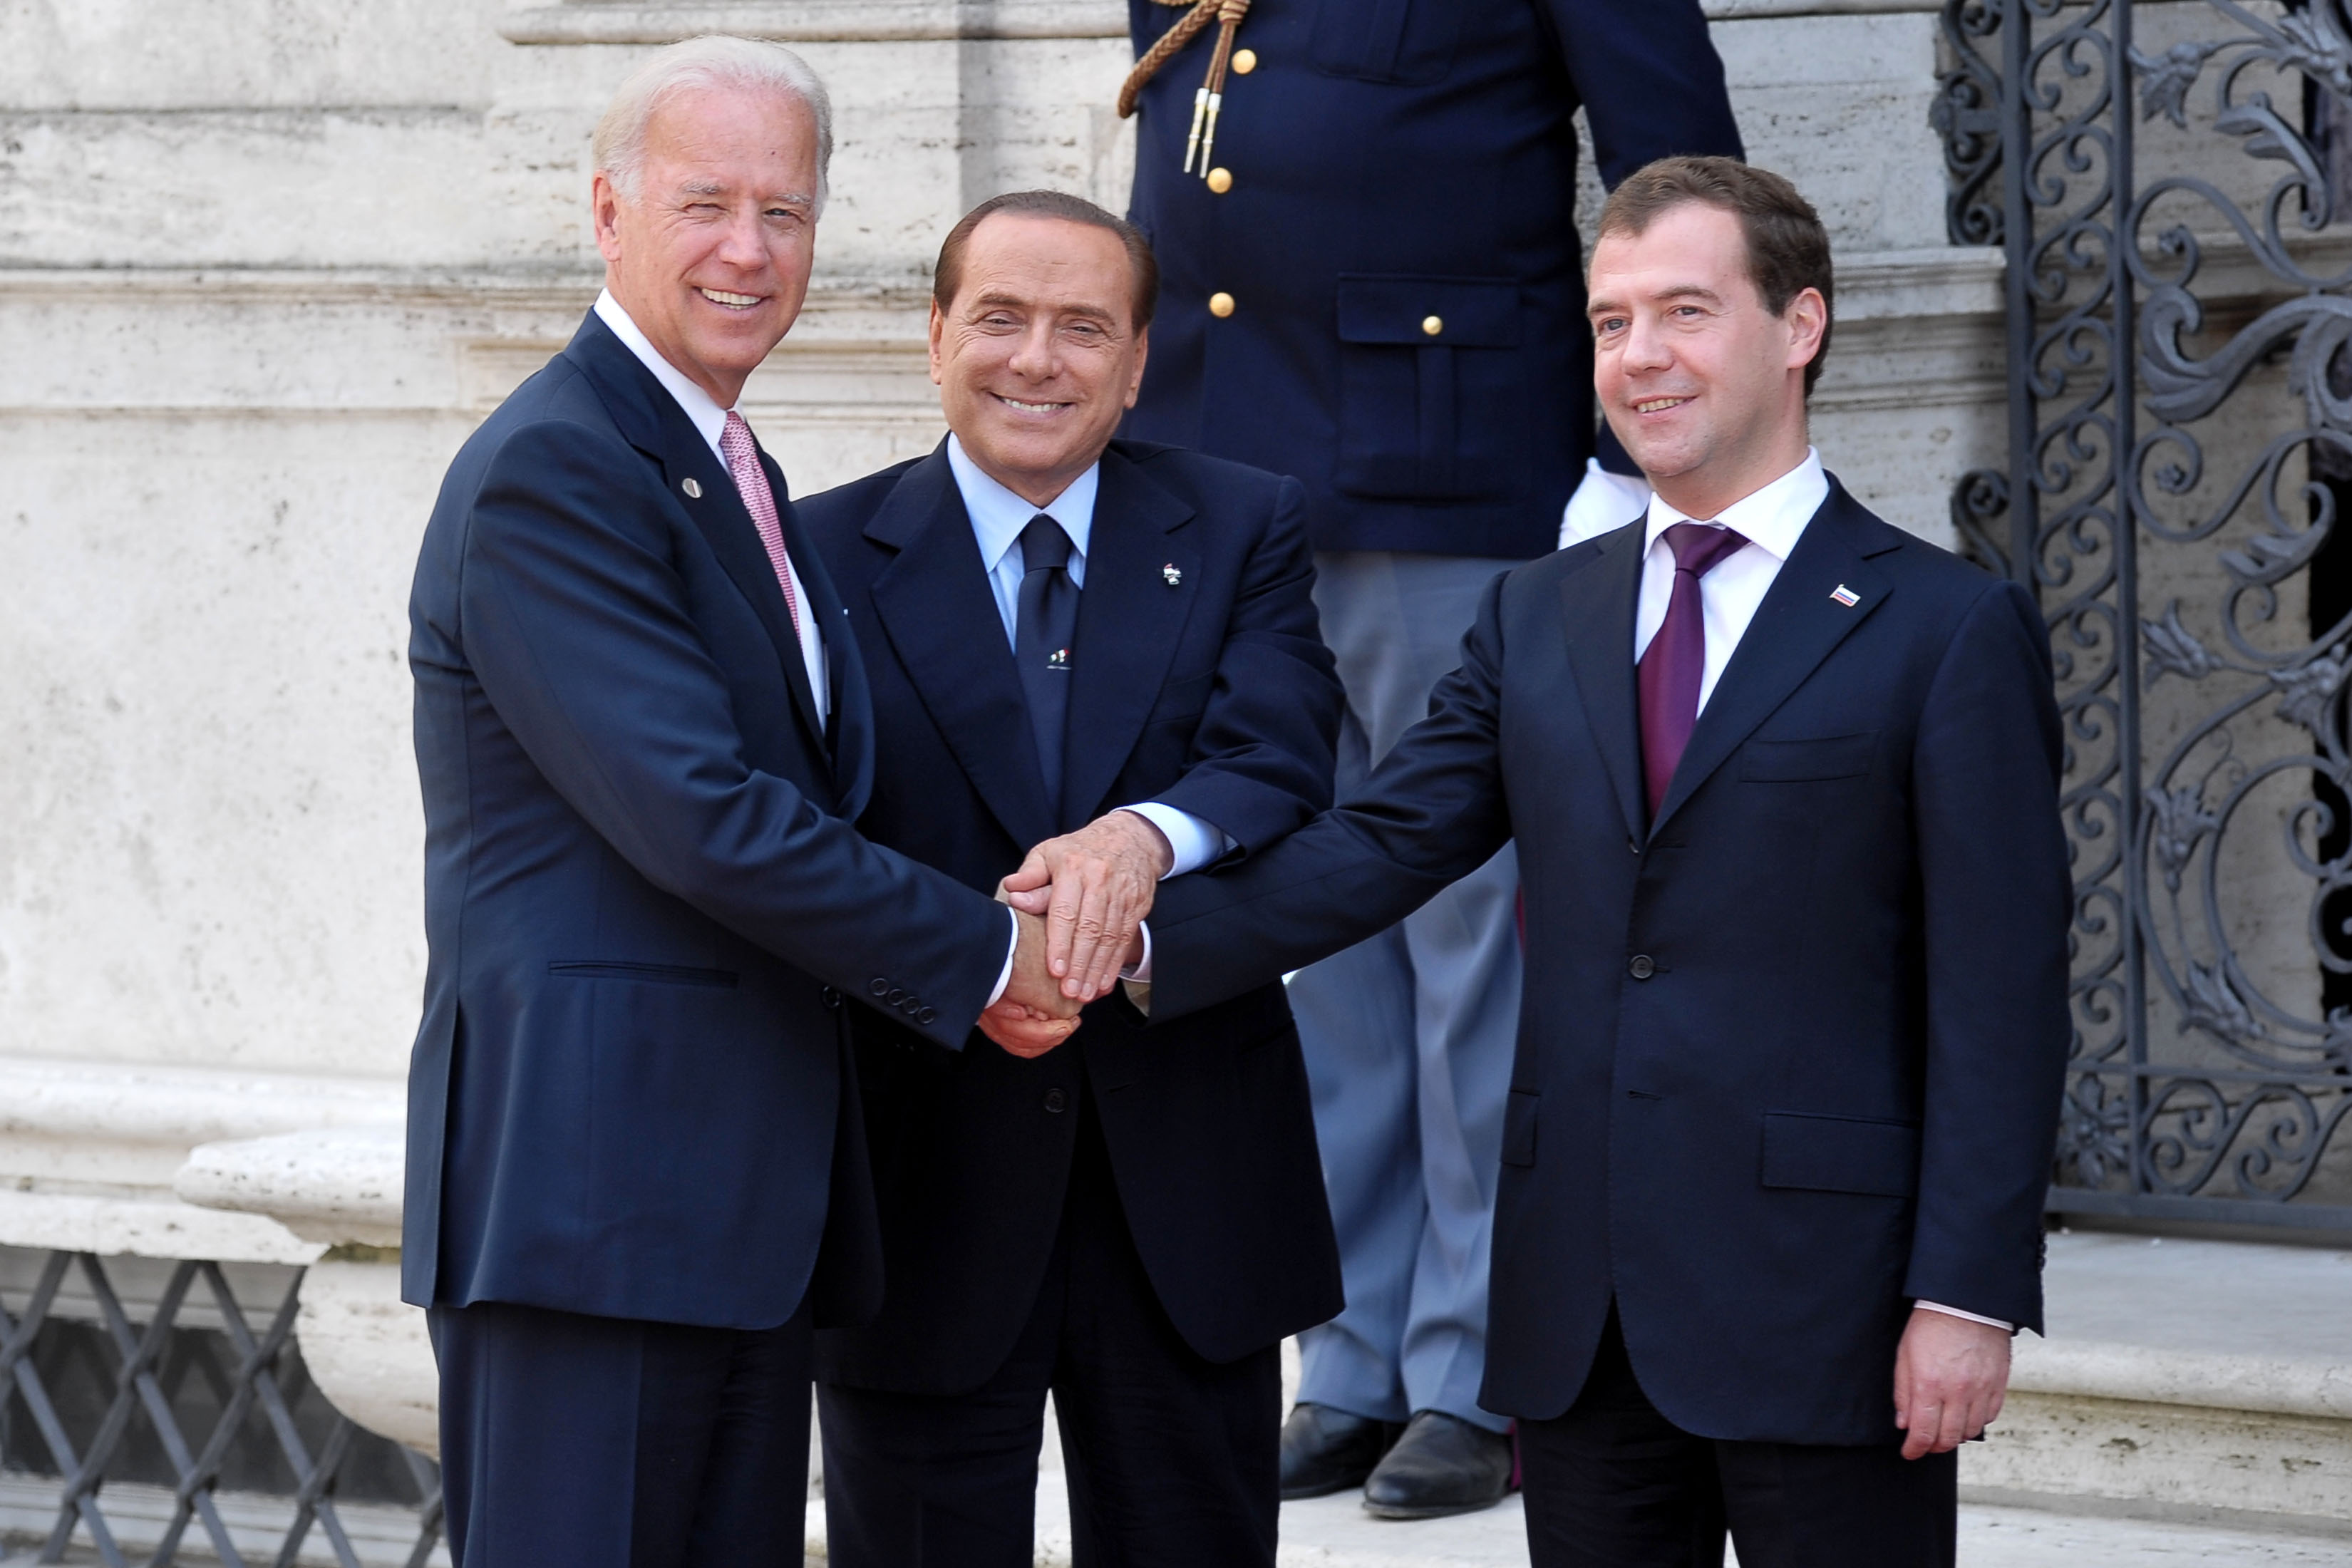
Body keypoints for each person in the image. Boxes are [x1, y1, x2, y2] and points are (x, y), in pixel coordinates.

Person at [1015, 157, 2071, 1566]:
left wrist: (1968, 1294)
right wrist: (1134, 934)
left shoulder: (1944, 627)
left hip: (1830, 1311)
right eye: (1612, 319)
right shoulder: (1539, 611)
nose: (1642, 357)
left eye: (1685, 312)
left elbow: (2002, 996)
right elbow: (1385, 839)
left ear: (1799, 325)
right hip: (1576, 1319)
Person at [401, 38, 1077, 1568]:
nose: (748, 250)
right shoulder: (558, 468)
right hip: (596, 1205)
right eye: (706, 203)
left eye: (787, 211)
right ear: (606, 212)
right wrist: (986, 955)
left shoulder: (720, 462)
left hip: (731, 1209)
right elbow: (701, 811)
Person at [1113, 0, 1746, 1515]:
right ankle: (1353, 1354)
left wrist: (1629, 450)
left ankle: (1479, 1366)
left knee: (1477, 946)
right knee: (1305, 929)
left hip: (1452, 471)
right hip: (1232, 466)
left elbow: (1678, 170)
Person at [803, 190, 1346, 1568]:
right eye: (999, 318)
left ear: (1139, 361)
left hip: (1190, 1196)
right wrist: (967, 964)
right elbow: (792, 841)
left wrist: (1142, 837)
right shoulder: (811, 559)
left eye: (1081, 328)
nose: (1036, 360)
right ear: (935, 338)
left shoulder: (1244, 523)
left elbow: (1282, 753)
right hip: (923, 1189)